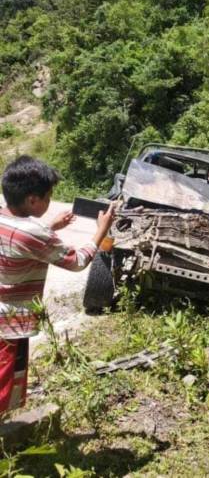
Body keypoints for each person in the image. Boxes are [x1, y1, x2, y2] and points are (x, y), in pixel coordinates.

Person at [0, 156, 115, 415]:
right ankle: (6, 436)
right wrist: (101, 229)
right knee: (6, 380)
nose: (50, 201)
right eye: (48, 196)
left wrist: (50, 226)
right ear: (32, 199)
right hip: (10, 323)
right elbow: (78, 261)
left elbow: (17, 243)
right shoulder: (34, 234)